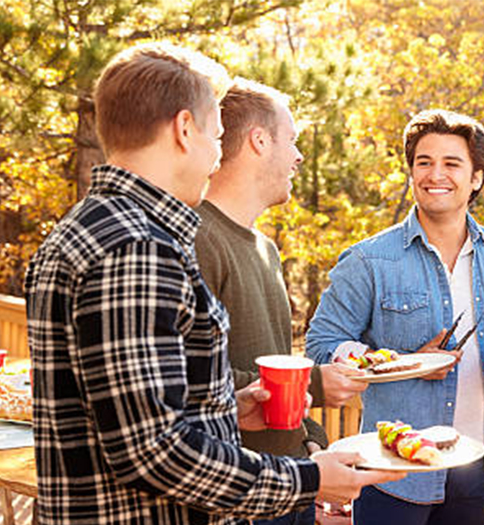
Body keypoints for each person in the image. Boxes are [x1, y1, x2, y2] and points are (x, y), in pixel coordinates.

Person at [24, 43, 401, 525]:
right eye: (217, 136)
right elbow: (151, 451)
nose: (218, 154)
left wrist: (225, 409)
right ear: (185, 129)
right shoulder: (136, 249)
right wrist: (308, 479)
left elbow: (134, 411)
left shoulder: (93, 228)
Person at [306, 109, 484, 525]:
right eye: (424, 163)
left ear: (477, 178)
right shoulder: (369, 259)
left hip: (480, 465)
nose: (435, 175)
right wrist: (398, 363)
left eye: (452, 163)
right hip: (394, 468)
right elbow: (322, 343)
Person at [194, 78, 369, 525]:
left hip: (292, 483)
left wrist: (310, 440)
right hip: (238, 496)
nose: (298, 156)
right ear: (258, 141)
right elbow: (189, 375)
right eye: (290, 140)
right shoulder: (197, 239)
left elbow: (273, 360)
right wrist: (314, 384)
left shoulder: (264, 249)